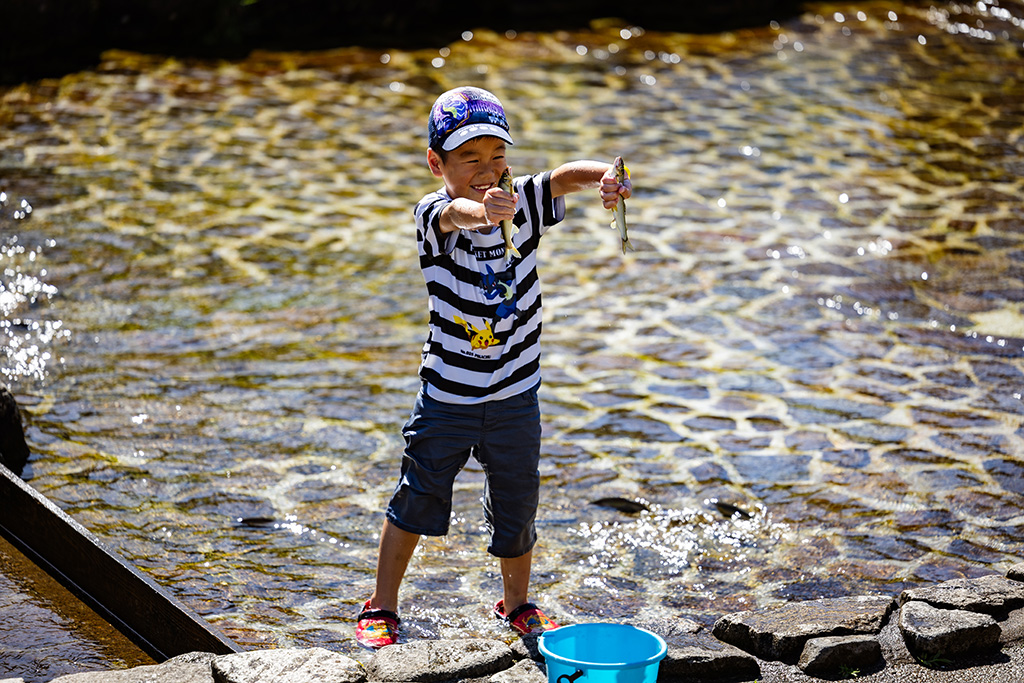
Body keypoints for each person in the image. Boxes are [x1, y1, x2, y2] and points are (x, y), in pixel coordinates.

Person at [355, 86, 631, 649]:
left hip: (515, 394)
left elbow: (561, 178)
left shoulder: (521, 199)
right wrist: (481, 212)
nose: (487, 170)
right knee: (417, 494)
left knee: (518, 503)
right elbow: (454, 213)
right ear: (437, 164)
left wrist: (604, 175)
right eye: (469, 159)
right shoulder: (432, 215)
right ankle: (382, 603)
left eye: (497, 156)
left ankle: (518, 602)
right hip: (448, 397)